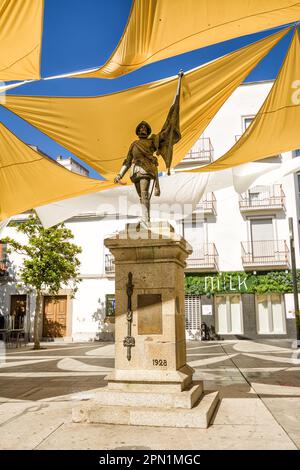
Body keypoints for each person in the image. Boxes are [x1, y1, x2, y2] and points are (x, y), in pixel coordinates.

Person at [114, 71, 183, 225]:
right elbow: (127, 161)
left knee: (144, 194)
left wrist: (171, 123)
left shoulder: (153, 141)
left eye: (145, 128)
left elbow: (165, 134)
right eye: (141, 128)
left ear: (148, 131)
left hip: (147, 168)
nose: (143, 130)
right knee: (141, 196)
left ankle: (146, 219)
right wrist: (119, 175)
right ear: (138, 131)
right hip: (136, 170)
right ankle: (146, 217)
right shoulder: (133, 144)